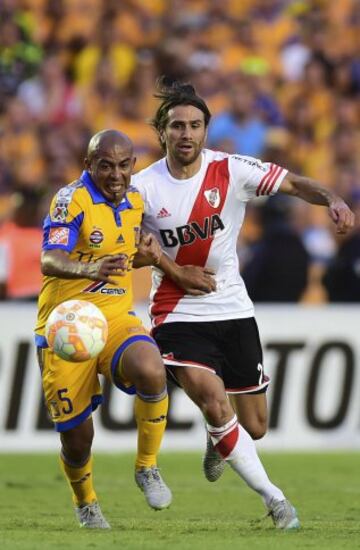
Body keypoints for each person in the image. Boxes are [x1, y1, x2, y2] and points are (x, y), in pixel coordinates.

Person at [132, 78, 355, 529]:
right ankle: (277, 502)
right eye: (177, 127)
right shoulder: (142, 188)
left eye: (195, 125)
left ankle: (220, 439)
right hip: (178, 313)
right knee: (215, 403)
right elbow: (130, 250)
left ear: (206, 130)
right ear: (163, 132)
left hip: (233, 308)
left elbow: (293, 184)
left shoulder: (232, 170)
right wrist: (172, 270)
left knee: (254, 426)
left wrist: (332, 198)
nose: (186, 134)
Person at [35, 130, 172, 529]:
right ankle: (86, 502)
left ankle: (146, 466)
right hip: (67, 324)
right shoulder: (70, 200)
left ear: (133, 165)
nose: (115, 174)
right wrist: (90, 269)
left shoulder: (135, 202)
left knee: (151, 367)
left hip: (113, 318)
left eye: (123, 165)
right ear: (89, 165)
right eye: (105, 165)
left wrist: (149, 260)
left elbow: (126, 257)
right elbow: (49, 258)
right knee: (77, 440)